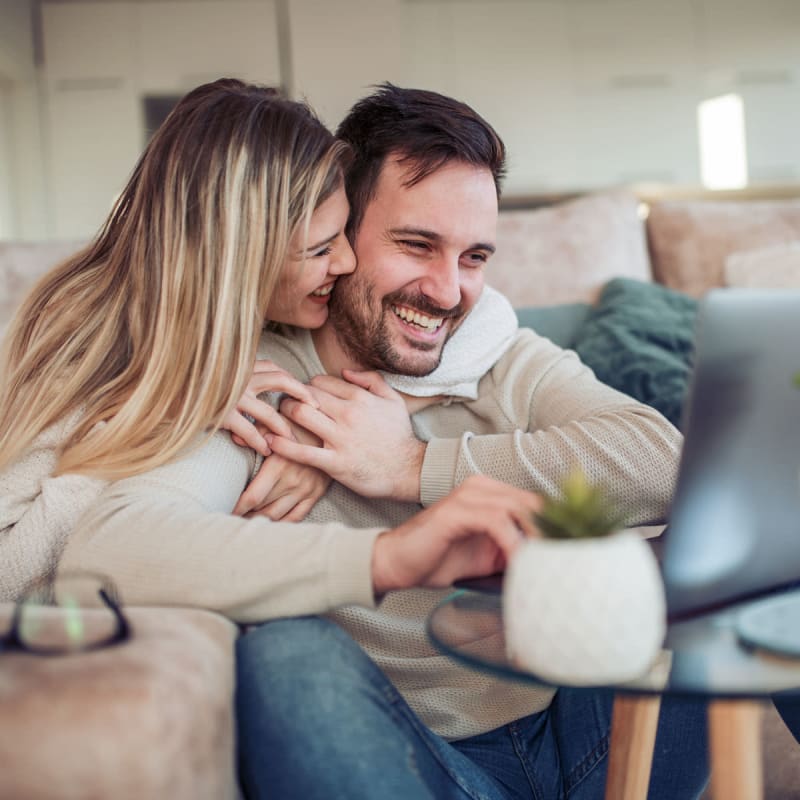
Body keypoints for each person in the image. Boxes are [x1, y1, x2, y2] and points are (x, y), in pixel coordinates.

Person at [228, 84, 712, 799]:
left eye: (474, 257)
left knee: (758, 566)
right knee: (284, 653)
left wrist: (409, 465)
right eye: (416, 245)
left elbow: (661, 462)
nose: (448, 291)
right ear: (337, 237)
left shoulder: (500, 354)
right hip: (417, 761)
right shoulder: (252, 383)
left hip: (582, 731)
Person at [0, 78, 542, 613]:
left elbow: (488, 319)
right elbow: (12, 574)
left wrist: (321, 429)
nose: (347, 264)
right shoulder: (82, 338)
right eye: (321, 249)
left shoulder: (248, 329)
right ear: (242, 255)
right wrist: (164, 416)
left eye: (344, 238)